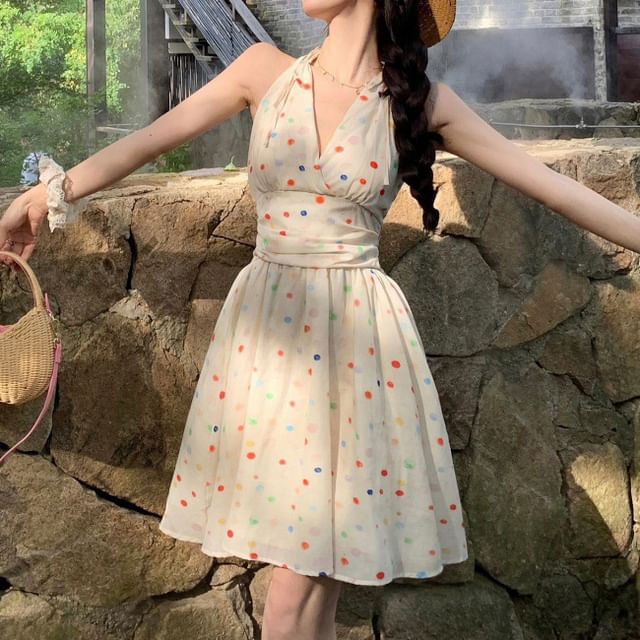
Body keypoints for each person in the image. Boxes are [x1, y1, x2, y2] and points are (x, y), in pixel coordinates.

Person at [1, 2, 640, 639]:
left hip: (356, 349)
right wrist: (41, 197)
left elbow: (556, 188)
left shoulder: (420, 102)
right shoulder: (263, 70)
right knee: (309, 591)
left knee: (301, 591)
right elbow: (146, 143)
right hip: (268, 339)